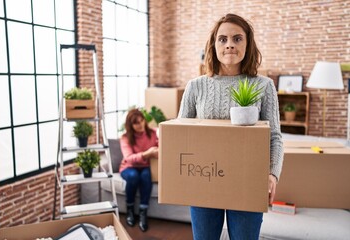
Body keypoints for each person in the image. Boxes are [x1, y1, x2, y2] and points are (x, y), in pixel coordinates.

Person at [178, 13, 283, 240]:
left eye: (237, 39)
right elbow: (180, 136)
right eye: (222, 39)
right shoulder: (195, 86)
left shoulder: (264, 86)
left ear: (248, 44)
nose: (229, 45)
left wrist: (272, 175)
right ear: (213, 45)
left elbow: (274, 137)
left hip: (249, 181)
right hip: (203, 181)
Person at [119, 108, 159, 232]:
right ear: (130, 125)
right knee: (133, 176)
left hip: (146, 167)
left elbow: (160, 148)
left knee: (146, 176)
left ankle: (143, 213)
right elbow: (129, 158)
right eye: (136, 123)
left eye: (142, 121)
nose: (140, 124)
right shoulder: (125, 138)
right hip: (128, 167)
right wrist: (147, 154)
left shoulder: (152, 133)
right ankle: (130, 210)